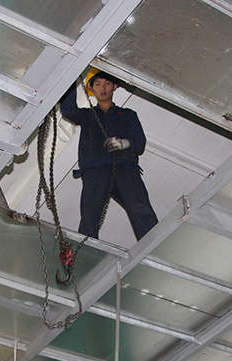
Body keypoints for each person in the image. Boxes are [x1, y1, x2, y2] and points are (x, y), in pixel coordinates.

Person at [59, 71, 158, 241]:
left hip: (125, 169)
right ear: (92, 89)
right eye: (97, 84)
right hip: (95, 172)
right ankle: (87, 252)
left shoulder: (128, 115)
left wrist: (124, 143)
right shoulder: (87, 115)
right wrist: (71, 75)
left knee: (140, 209)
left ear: (114, 87)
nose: (102, 88)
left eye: (107, 84)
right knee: (90, 217)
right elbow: (68, 111)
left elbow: (139, 143)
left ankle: (155, 246)